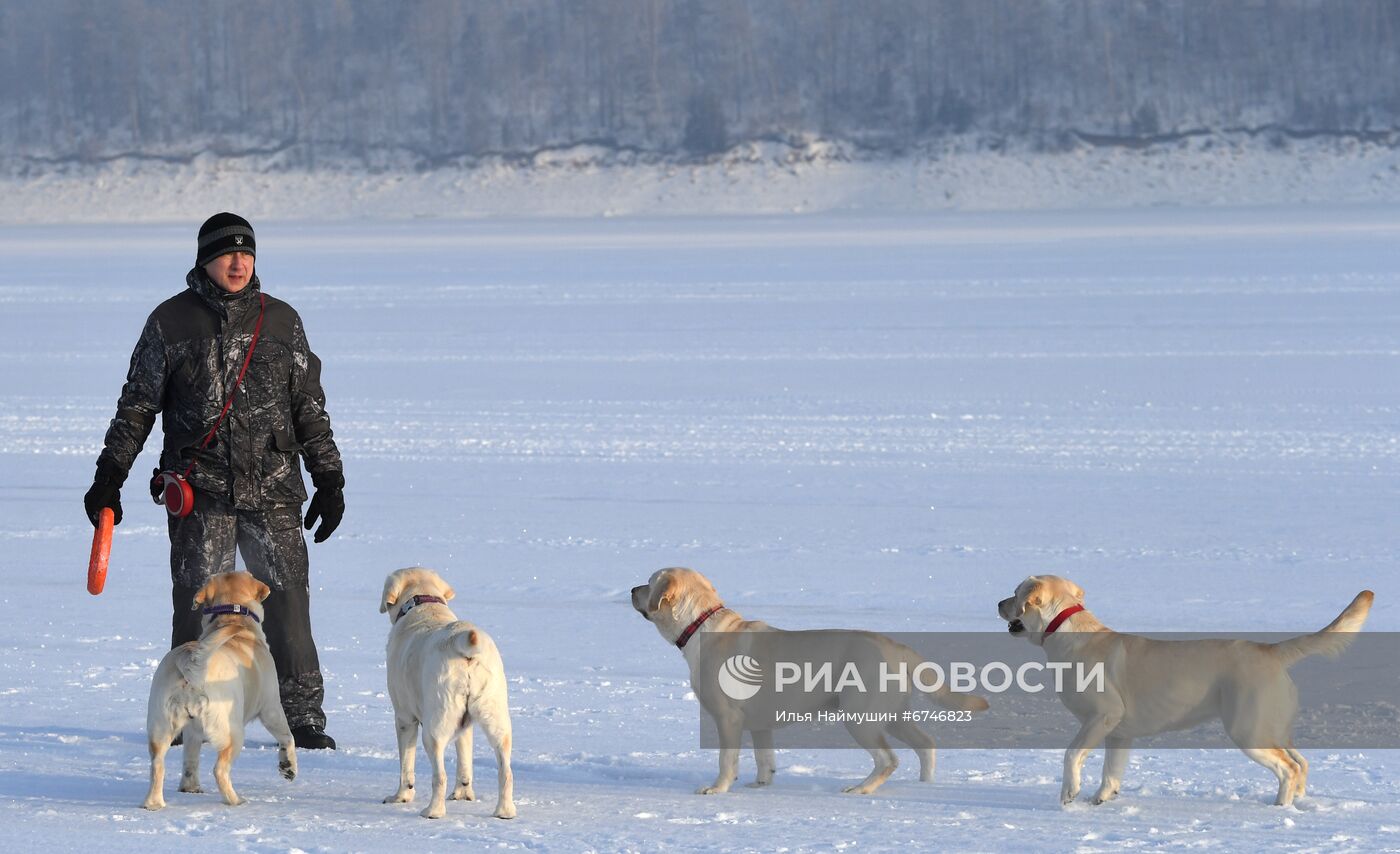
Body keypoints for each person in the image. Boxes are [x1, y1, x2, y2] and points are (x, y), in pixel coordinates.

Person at [84, 212, 344, 749]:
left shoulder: (282, 321)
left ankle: (301, 719)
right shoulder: (170, 322)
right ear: (205, 258)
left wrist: (329, 476)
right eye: (228, 253)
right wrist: (110, 475)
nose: (238, 262)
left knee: (289, 604)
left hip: (274, 489)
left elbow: (308, 407)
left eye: (247, 253)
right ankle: (186, 714)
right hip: (200, 492)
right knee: (197, 608)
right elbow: (137, 406)